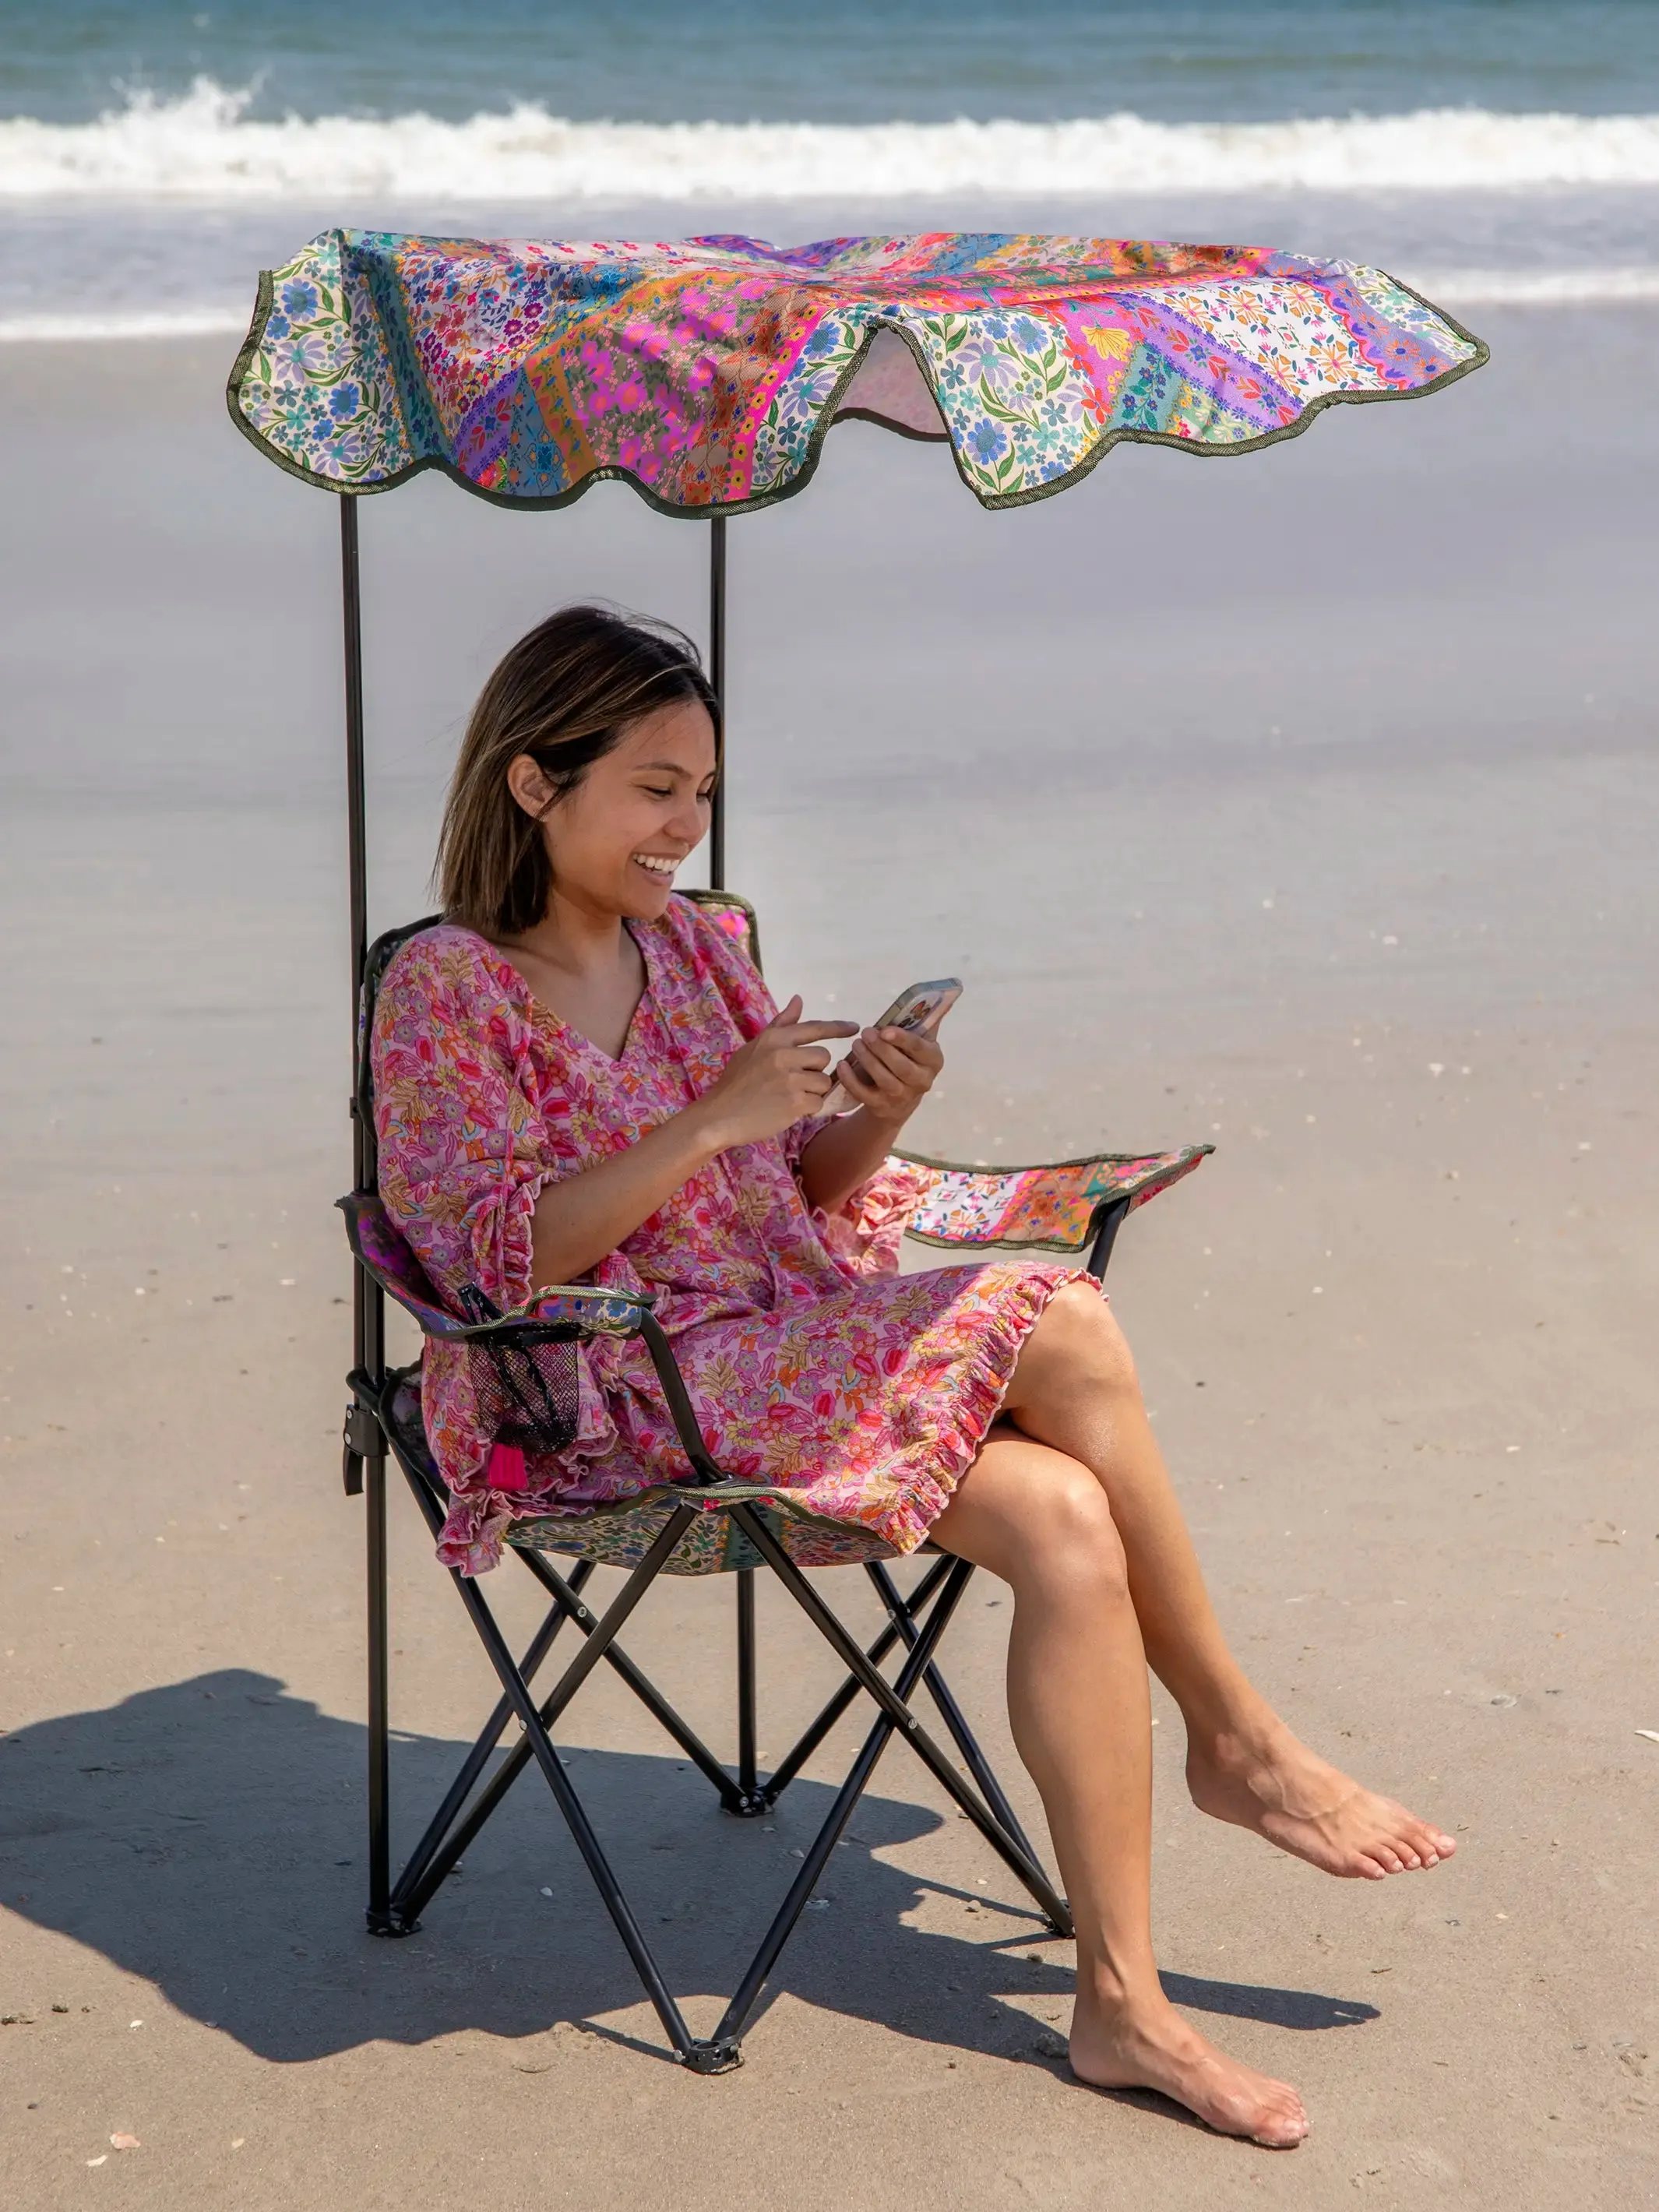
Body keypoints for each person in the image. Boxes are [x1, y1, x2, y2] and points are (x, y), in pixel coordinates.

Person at [372, 604, 1456, 2149]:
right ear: (535, 781)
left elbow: (798, 1197)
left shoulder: (692, 951)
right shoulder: (445, 988)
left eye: (703, 791)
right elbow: (487, 1263)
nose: (689, 827)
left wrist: (869, 1111)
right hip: (615, 1391)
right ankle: (1239, 1739)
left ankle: (1122, 2007)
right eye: (656, 788)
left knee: (1070, 1524)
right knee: (1062, 1318)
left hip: (775, 1345)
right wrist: (700, 1124)